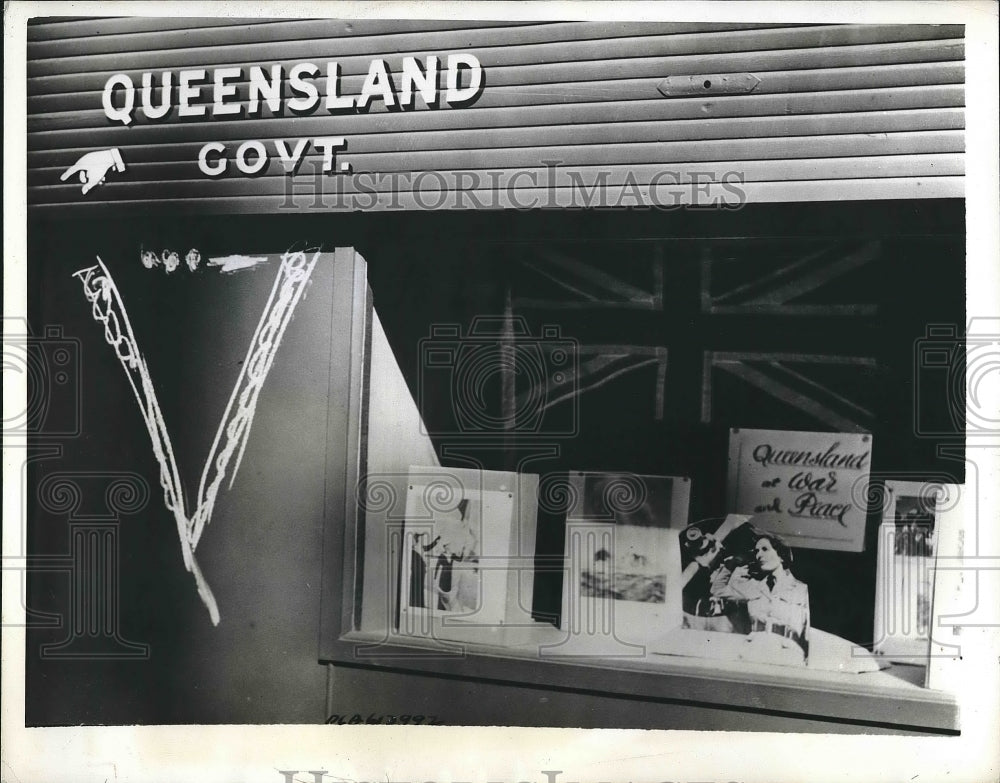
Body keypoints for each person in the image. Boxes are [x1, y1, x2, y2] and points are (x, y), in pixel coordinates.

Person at [712, 532, 809, 652]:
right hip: (754, 649)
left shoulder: (801, 589)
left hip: (788, 651)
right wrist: (730, 565)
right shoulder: (753, 586)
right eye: (757, 551)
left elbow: (809, 631)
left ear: (781, 556)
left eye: (765, 549)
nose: (759, 555)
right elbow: (717, 590)